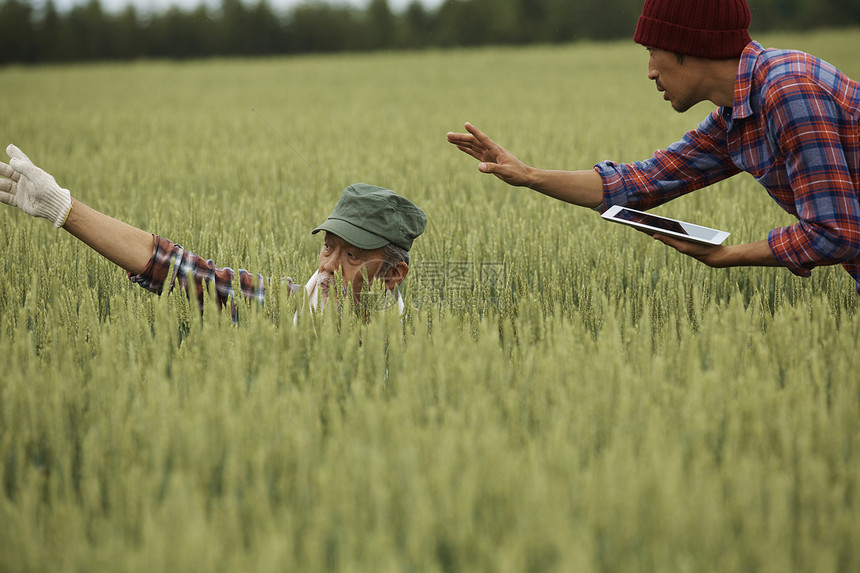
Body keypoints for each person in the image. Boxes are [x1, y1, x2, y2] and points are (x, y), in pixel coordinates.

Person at [447, 0, 860, 296]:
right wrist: (530, 176)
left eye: (652, 52)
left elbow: (836, 233)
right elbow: (642, 182)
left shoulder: (787, 91)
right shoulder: (737, 114)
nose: (649, 72)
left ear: (689, 47)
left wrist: (728, 254)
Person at [0, 144, 427, 318]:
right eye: (328, 248)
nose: (330, 267)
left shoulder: (419, 350)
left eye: (352, 256)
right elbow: (176, 268)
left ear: (393, 275)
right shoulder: (289, 310)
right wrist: (64, 209)